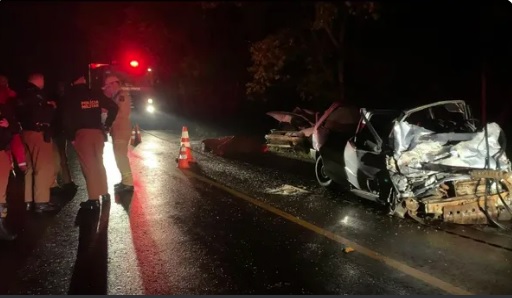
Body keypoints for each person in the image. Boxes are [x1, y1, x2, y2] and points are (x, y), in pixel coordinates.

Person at [62, 75, 118, 209]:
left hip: (82, 134)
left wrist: (71, 137)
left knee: (89, 167)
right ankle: (104, 193)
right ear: (84, 80)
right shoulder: (95, 94)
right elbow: (113, 107)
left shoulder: (70, 96)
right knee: (99, 163)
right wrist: (107, 124)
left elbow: (66, 118)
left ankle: (93, 200)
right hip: (98, 133)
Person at [16, 73, 59, 213]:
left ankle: (28, 199)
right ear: (38, 80)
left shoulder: (21, 94)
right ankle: (41, 202)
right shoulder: (37, 95)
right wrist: (51, 107)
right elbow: (40, 113)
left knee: (30, 167)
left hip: (25, 133)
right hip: (38, 133)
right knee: (43, 167)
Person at [102, 75, 134, 193]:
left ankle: (128, 182)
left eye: (108, 86)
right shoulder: (115, 96)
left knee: (120, 155)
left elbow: (121, 113)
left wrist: (107, 113)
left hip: (121, 128)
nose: (107, 89)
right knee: (118, 155)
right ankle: (124, 180)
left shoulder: (121, 96)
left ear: (115, 84)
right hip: (118, 129)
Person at [0, 96, 23, 240]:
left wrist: (8, 125)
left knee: (1, 191)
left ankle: (0, 227)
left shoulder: (3, 108)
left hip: (1, 152)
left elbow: (16, 128)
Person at [50, 81, 77, 194]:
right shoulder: (63, 100)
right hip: (56, 131)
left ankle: (64, 182)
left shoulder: (61, 100)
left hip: (58, 131)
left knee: (60, 157)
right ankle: (59, 183)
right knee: (58, 158)